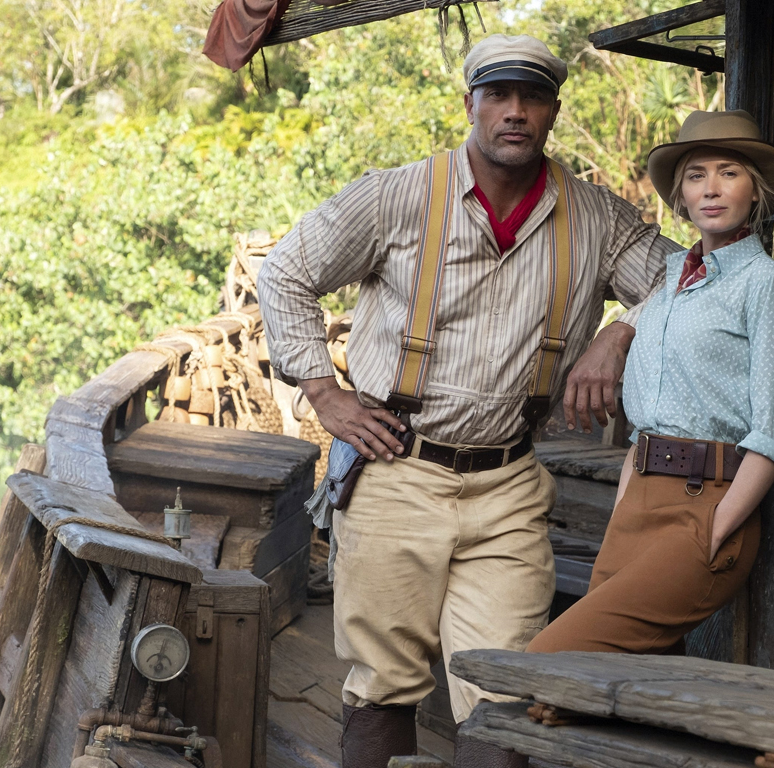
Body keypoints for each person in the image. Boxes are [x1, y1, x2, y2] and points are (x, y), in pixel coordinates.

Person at [258, 34, 677, 768]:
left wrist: (619, 333)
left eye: (533, 98)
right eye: (499, 96)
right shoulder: (396, 195)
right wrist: (324, 393)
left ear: (552, 111)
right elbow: (286, 273)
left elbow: (691, 277)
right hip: (396, 467)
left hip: (509, 482)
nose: (515, 112)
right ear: (471, 104)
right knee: (383, 684)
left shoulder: (597, 218)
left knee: (505, 686)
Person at [527, 110, 774, 659]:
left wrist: (717, 526)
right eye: (697, 175)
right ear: (680, 194)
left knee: (552, 661)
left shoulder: (767, 286)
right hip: (637, 505)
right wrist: (627, 504)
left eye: (729, 173)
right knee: (634, 685)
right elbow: (645, 416)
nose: (711, 188)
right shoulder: (670, 282)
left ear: (756, 190)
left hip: (708, 506)